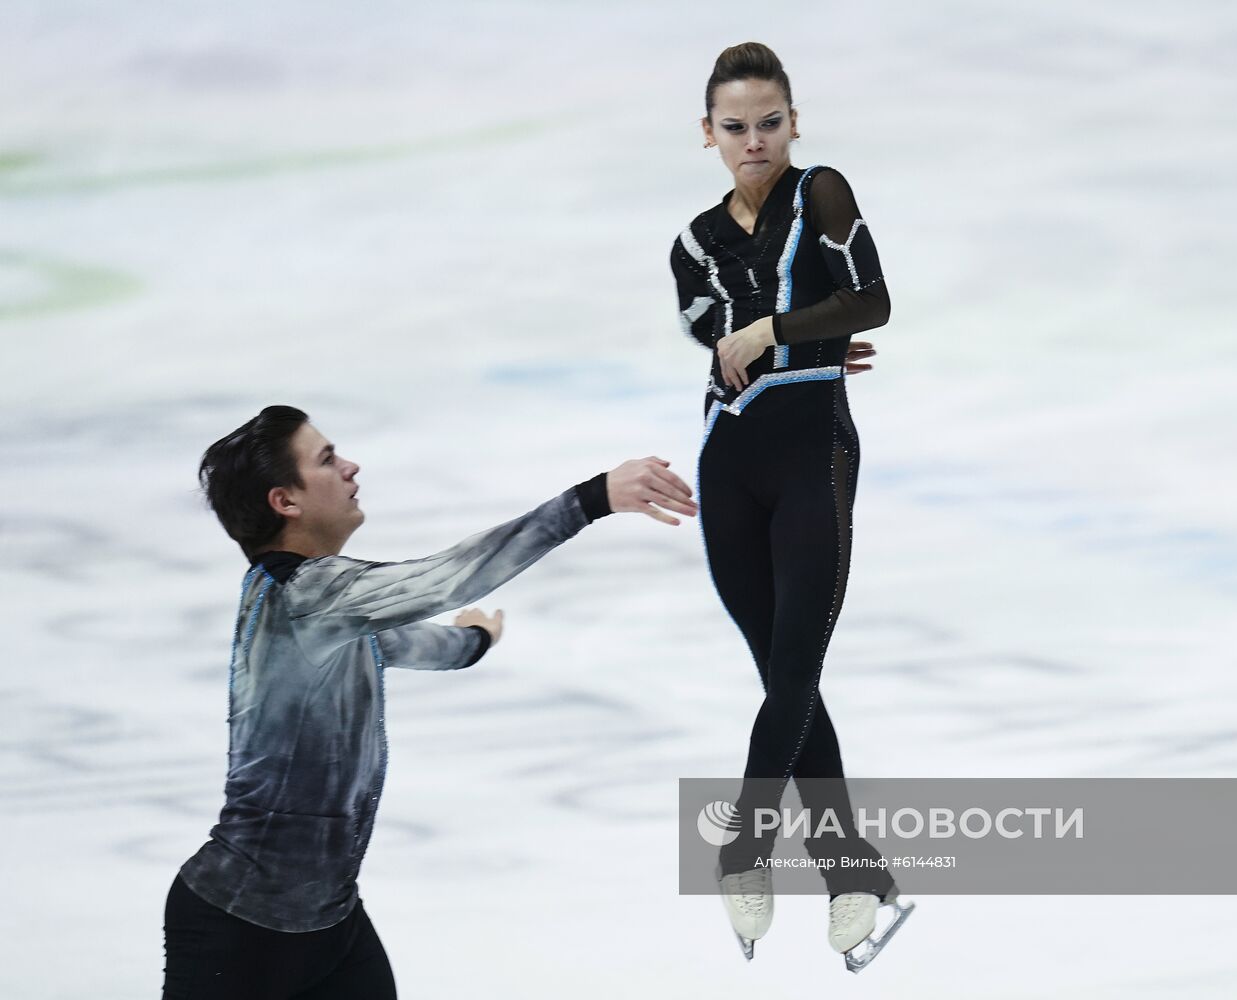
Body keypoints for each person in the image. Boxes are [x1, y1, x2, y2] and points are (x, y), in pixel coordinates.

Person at [162, 405, 696, 998]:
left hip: (330, 921)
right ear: (285, 501)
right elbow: (447, 580)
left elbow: (399, 643)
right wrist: (591, 499)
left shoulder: (318, 610)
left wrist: (471, 642)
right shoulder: (306, 596)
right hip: (239, 930)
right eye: (327, 459)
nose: (350, 467)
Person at [669, 42, 910, 969]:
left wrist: (783, 329)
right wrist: (805, 335)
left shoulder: (825, 193)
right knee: (785, 677)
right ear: (708, 134)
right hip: (728, 463)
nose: (755, 141)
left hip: (815, 457)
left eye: (770, 122)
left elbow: (874, 299)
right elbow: (710, 338)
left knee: (796, 664)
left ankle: (745, 850)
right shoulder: (693, 242)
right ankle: (853, 875)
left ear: (793, 121)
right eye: (735, 127)